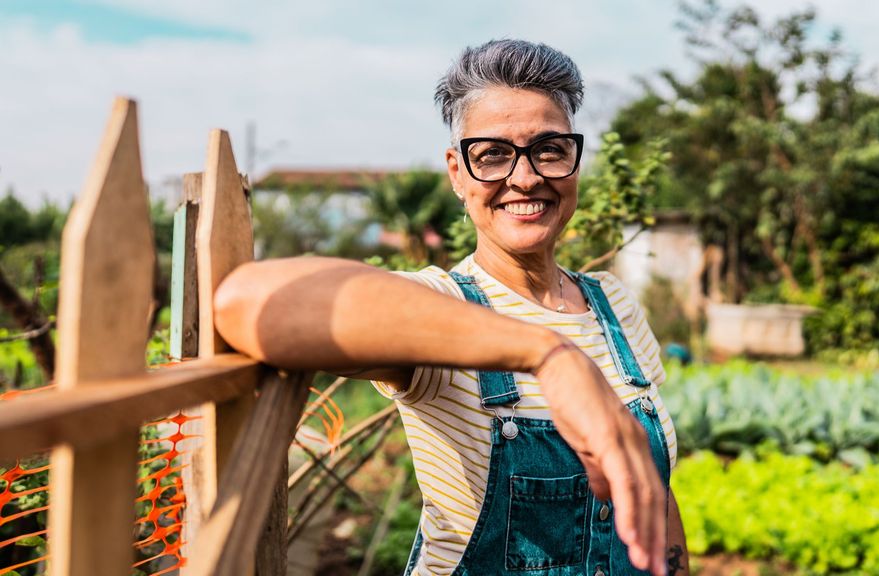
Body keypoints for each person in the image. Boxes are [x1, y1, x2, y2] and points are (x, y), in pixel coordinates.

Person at [214, 39, 688, 576]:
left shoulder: (613, 303)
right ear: (457, 172)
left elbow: (657, 498)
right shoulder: (440, 306)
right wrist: (549, 355)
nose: (526, 177)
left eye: (550, 149)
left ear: (575, 161)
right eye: (493, 155)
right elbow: (250, 303)